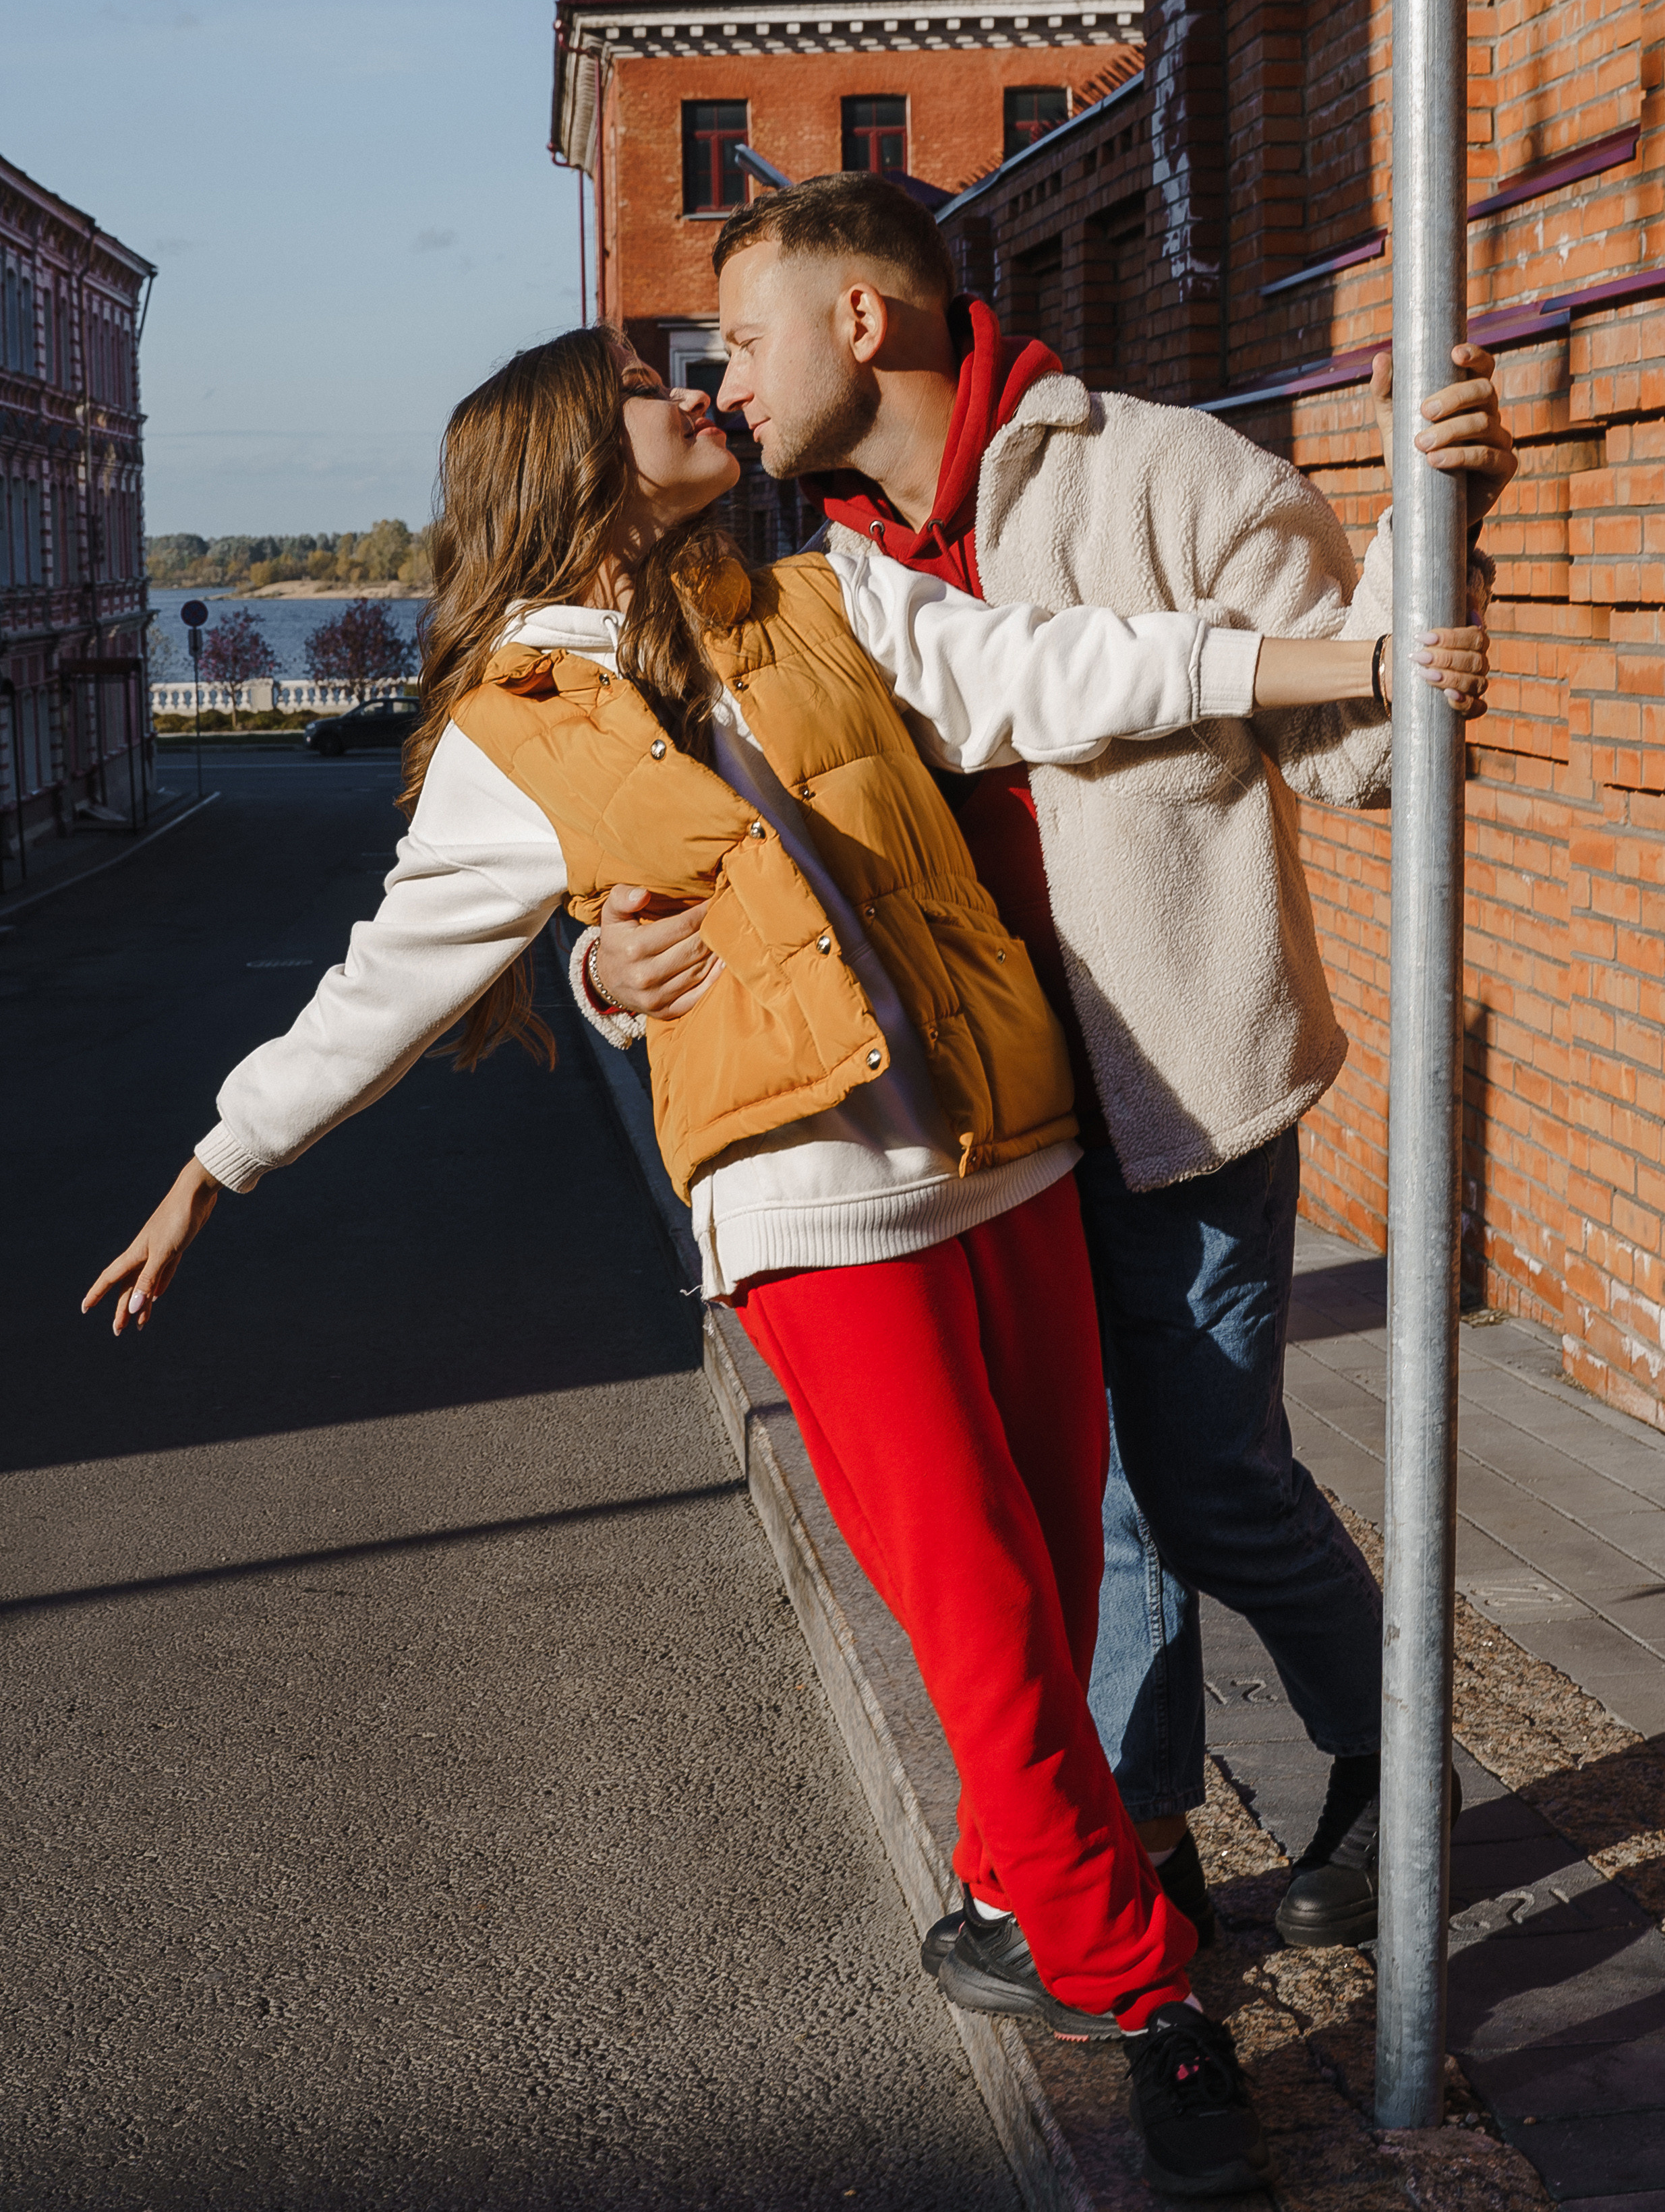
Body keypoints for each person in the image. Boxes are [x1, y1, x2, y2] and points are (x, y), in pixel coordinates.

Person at [85, 330, 1486, 2199]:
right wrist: (215, 1165)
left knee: (1057, 1571)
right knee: (984, 1619)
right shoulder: (512, 731)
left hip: (1005, 1153)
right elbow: (391, 978)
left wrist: (1361, 658)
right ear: (571, 457)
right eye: (652, 387)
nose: (701, 396)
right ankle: (1152, 2007)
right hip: (811, 1207)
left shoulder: (825, 597)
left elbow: (1062, 672)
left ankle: (1020, 1887)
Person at [581, 175, 1517, 1954]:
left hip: (1174, 1082)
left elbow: (1366, 756)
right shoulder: (811, 564)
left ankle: (1398, 1767)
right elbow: (673, 827)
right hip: (966, 1132)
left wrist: (1430, 515)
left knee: (1208, 1484)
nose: (729, 386)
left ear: (864, 319)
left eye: (749, 339)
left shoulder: (1169, 478)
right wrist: (605, 967)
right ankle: (1136, 1845)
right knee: (1080, 1514)